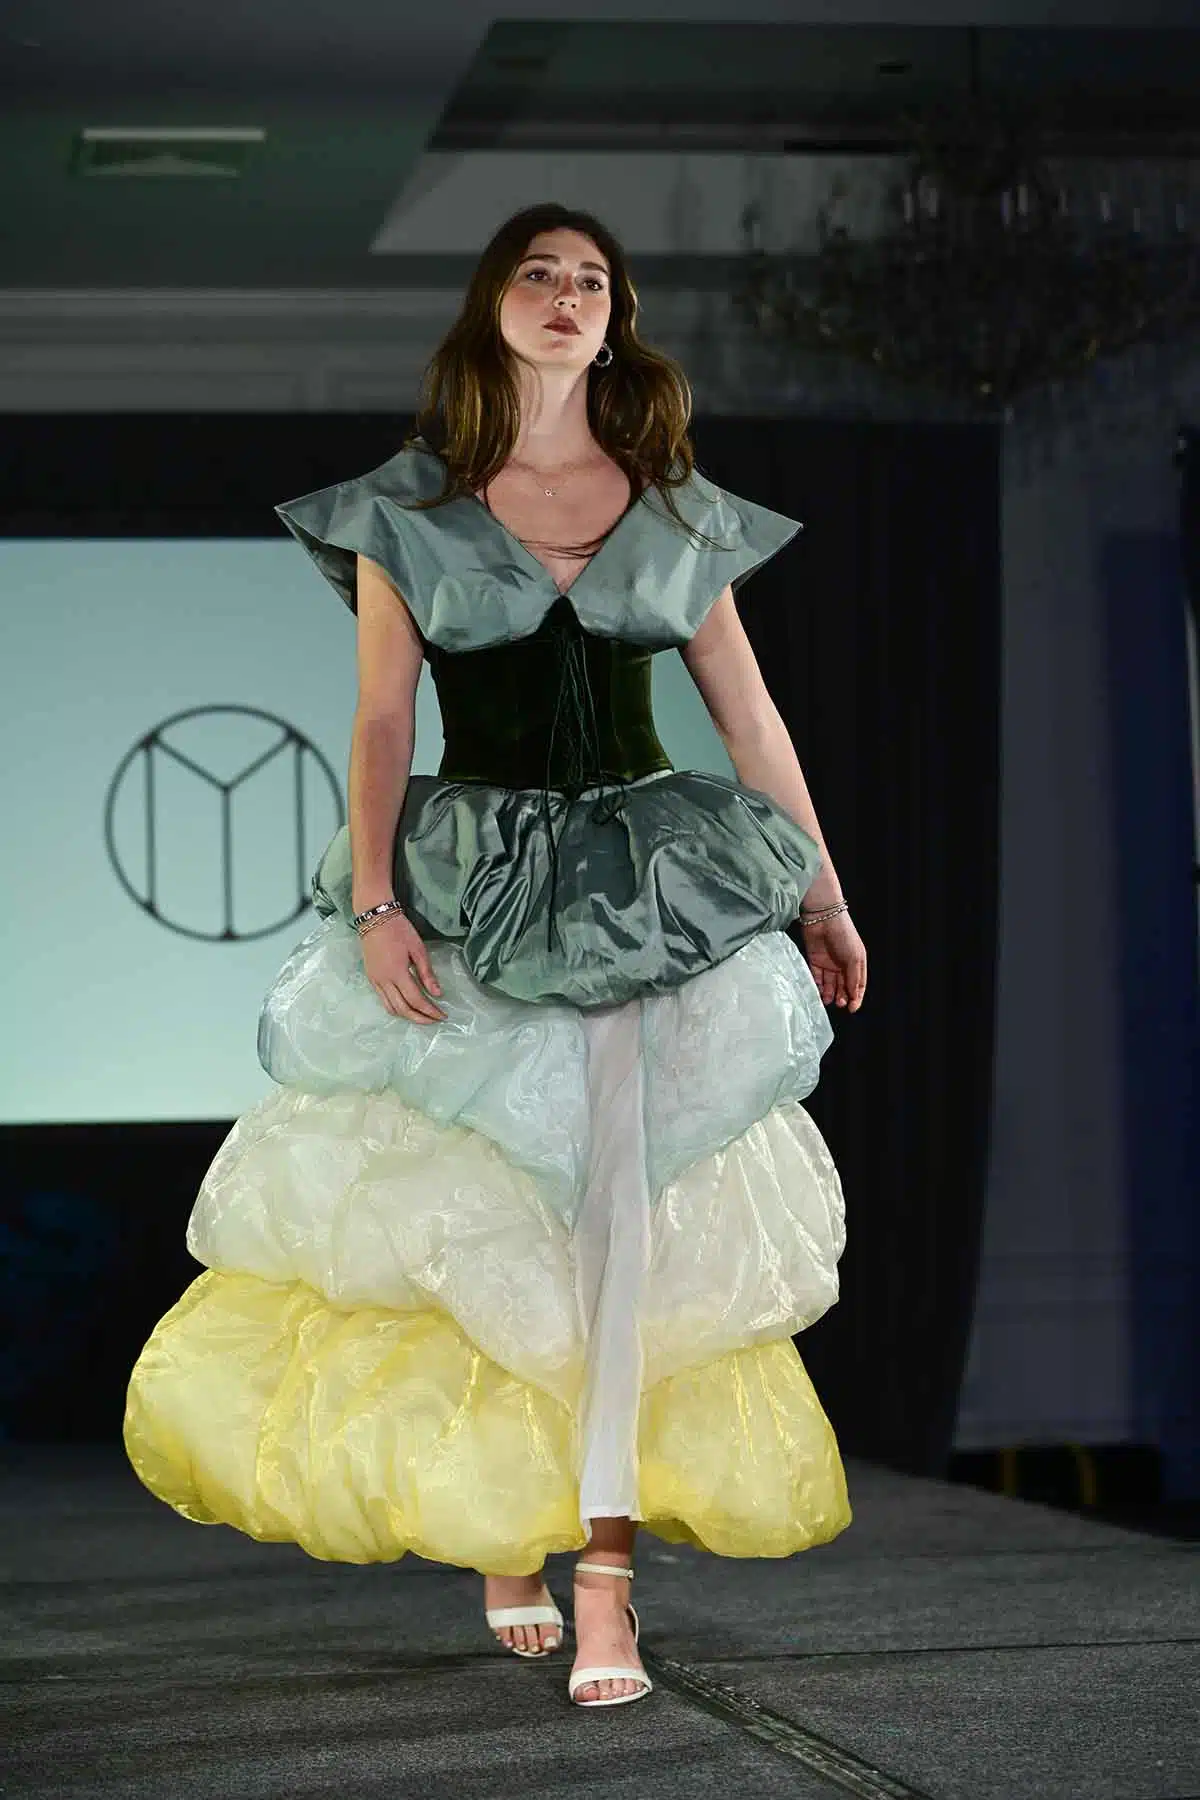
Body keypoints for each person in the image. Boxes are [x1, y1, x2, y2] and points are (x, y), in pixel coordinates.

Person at [124, 202, 867, 1711]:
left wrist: (825, 899)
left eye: (593, 280)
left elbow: (751, 718)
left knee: (624, 1228)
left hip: (651, 892)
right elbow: (382, 719)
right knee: (502, 1230)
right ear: (493, 305)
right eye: (539, 273)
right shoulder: (409, 509)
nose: (567, 294)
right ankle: (509, 1530)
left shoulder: (673, 506)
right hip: (479, 890)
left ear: (617, 321)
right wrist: (376, 906)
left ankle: (606, 1579)